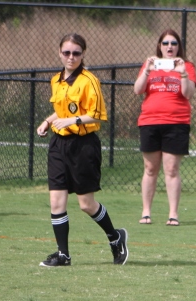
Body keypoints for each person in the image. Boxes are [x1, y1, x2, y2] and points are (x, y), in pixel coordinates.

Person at [35, 33, 128, 267]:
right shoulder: (56, 80)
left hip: (83, 145)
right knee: (56, 201)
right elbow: (62, 110)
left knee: (86, 204)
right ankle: (63, 255)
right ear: (59, 53)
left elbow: (97, 114)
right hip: (59, 145)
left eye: (76, 53)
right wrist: (47, 121)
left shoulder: (89, 80)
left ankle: (115, 237)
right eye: (66, 52)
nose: (71, 57)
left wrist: (71, 121)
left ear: (83, 54)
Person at [134, 29, 196, 226]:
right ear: (160, 46)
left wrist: (183, 73)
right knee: (150, 168)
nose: (170, 47)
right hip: (150, 122)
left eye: (174, 43)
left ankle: (173, 214)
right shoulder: (150, 65)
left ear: (179, 47)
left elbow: (188, 94)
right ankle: (146, 212)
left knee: (171, 169)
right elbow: (137, 90)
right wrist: (147, 70)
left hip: (176, 123)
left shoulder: (187, 66)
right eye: (166, 43)